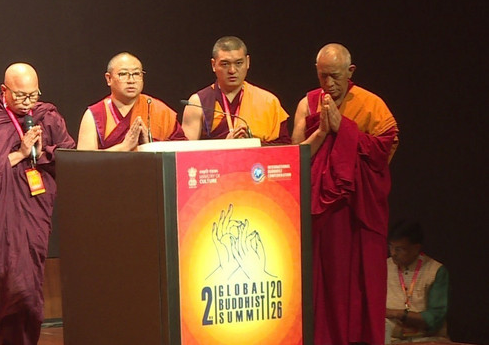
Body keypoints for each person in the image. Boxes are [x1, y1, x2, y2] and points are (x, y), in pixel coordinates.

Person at [292, 43, 399, 345]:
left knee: (359, 286)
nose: (328, 84)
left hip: (358, 211)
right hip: (321, 214)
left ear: (350, 72)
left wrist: (346, 129)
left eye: (335, 76)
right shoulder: (309, 103)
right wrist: (325, 132)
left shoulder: (371, 105)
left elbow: (382, 153)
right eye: (322, 76)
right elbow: (297, 157)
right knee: (322, 286)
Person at [0, 63, 75, 345]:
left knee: (26, 286)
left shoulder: (47, 116)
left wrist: (43, 153)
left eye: (33, 95)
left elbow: (68, 156)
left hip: (32, 218)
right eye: (21, 96)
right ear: (4, 90)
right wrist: (21, 153)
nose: (28, 102)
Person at [182, 36, 290, 144]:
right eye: (225, 64)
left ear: (247, 62)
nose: (232, 70)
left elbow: (285, 148)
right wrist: (225, 145)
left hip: (258, 160)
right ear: (213, 65)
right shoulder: (198, 103)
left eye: (238, 63)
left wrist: (253, 144)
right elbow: (186, 153)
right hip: (215, 161)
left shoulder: (268, 101)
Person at [77, 52, 186, 150]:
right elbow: (83, 161)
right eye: (123, 74)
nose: (131, 80)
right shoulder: (96, 114)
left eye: (136, 74)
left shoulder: (160, 110)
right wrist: (124, 147)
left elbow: (183, 152)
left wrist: (150, 146)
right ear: (109, 79)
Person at [385, 220, 449, 343]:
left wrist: (397, 314)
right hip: (391, 339)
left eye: (399, 249)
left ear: (416, 248)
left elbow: (435, 318)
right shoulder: (383, 267)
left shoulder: (435, 271)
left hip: (427, 339)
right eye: (391, 247)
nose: (393, 253)